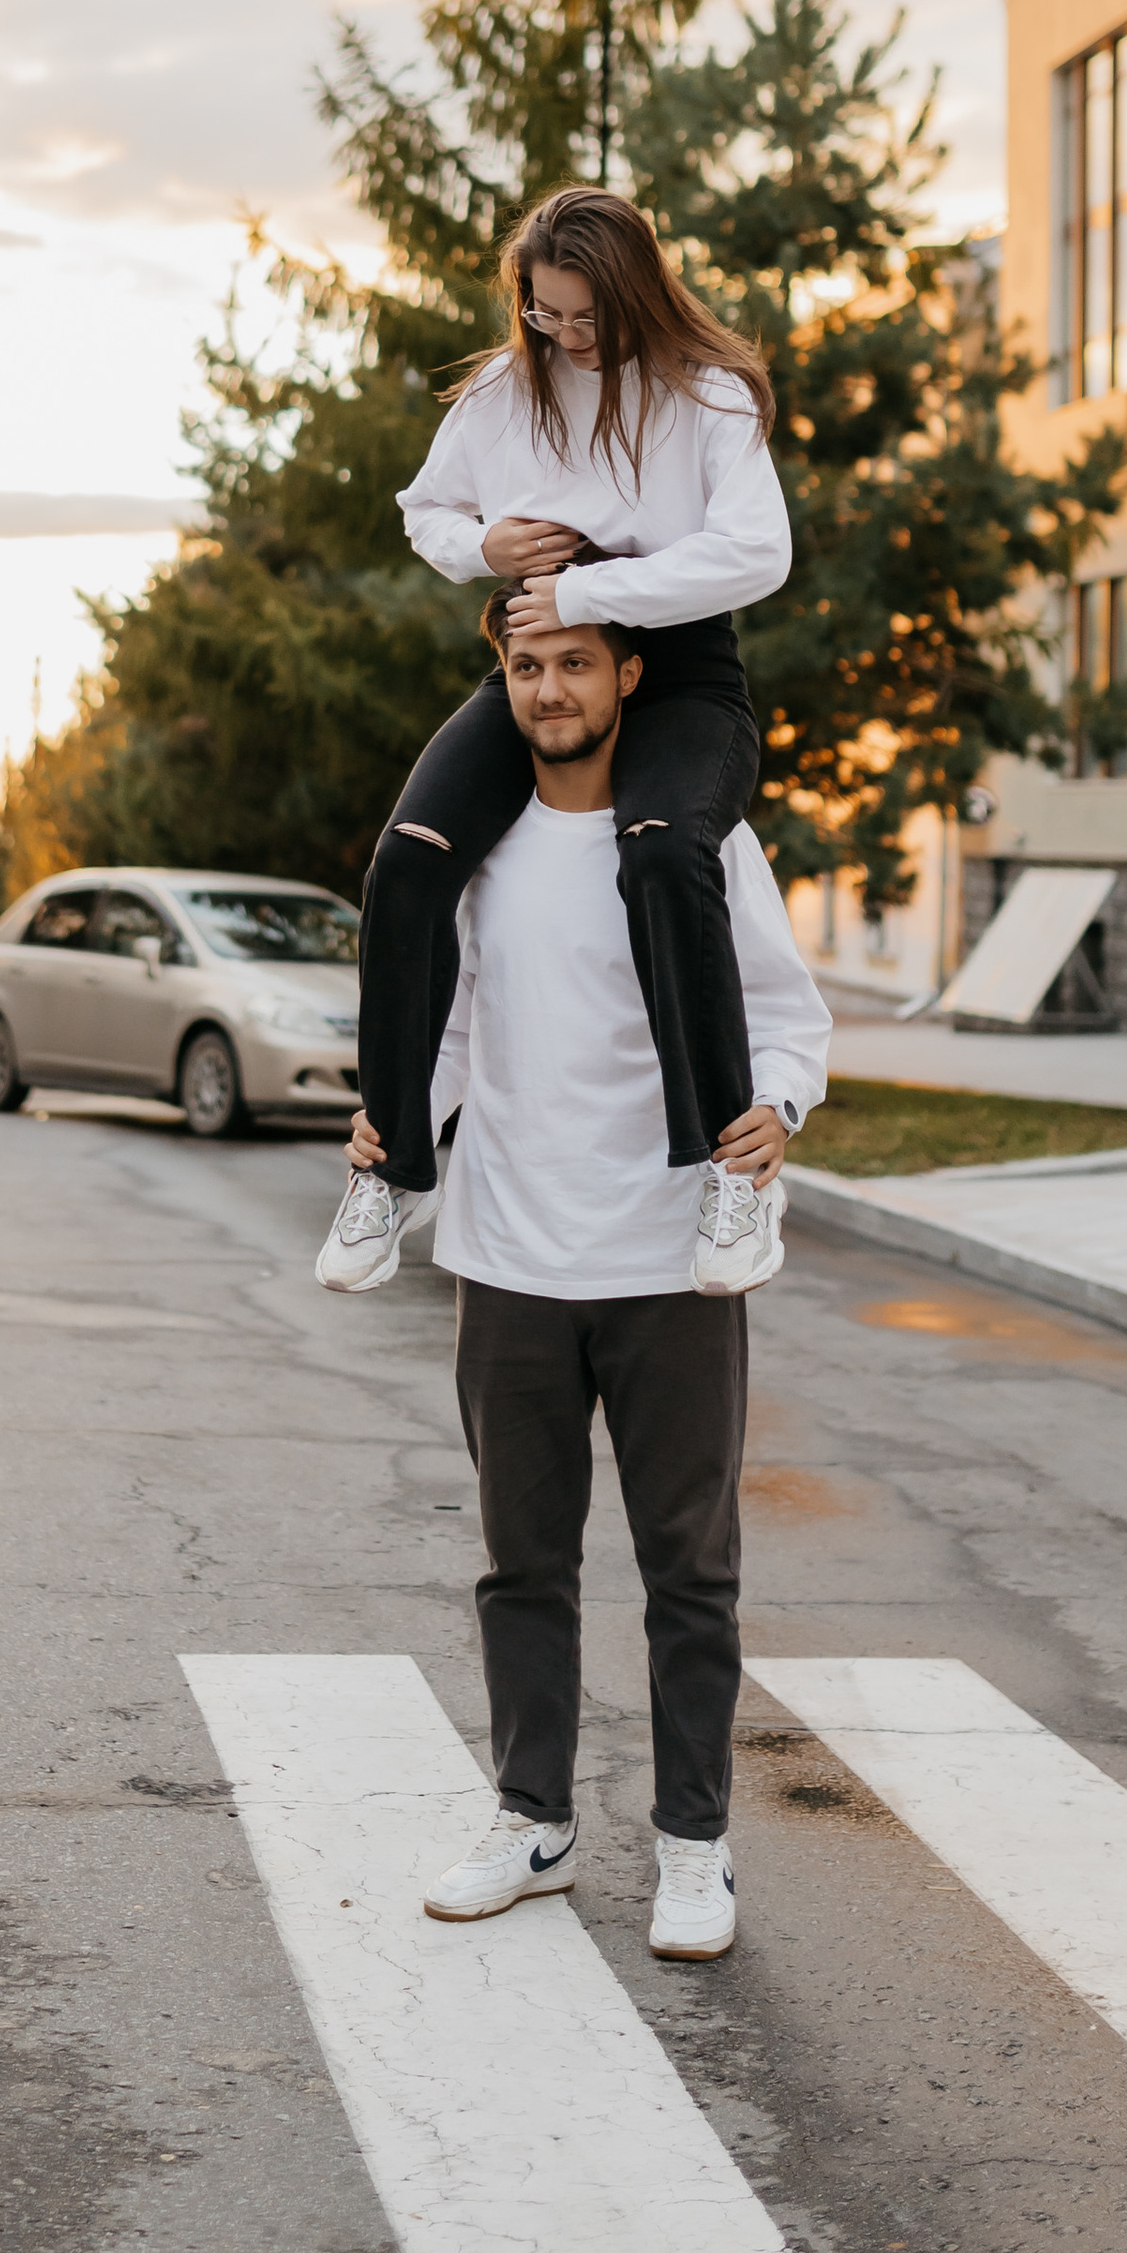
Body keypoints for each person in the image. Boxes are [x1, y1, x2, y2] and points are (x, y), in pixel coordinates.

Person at [323, 596, 828, 1960]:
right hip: (510, 1261)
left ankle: (691, 1848)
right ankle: (531, 1821)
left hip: (674, 1260)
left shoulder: (698, 835)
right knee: (522, 1566)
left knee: (690, 1572)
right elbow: (451, 1027)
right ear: (508, 684)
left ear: (628, 674)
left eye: (575, 664)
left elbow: (787, 1015)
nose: (551, 689)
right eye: (528, 667)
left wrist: (777, 1107)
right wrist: (395, 1117)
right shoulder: (479, 853)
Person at [346, 187, 790, 1283]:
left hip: (679, 670)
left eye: (585, 317)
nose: (566, 336)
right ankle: (393, 1167)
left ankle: (726, 1178)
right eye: (545, 314)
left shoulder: (708, 394)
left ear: (636, 292)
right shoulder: (507, 387)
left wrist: (603, 586)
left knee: (664, 852)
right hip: (542, 658)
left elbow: (756, 553)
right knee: (408, 863)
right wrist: (485, 543)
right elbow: (425, 511)